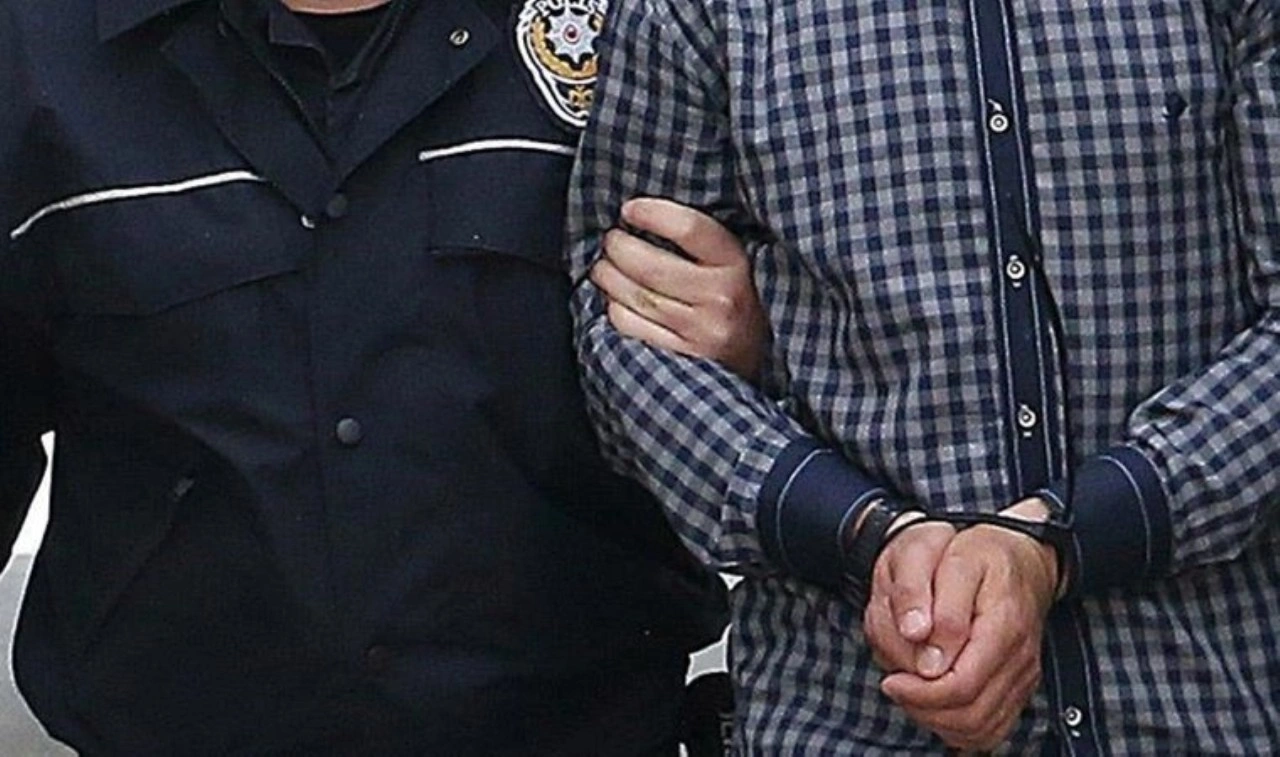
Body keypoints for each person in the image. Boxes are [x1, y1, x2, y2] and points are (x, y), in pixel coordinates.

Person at [0, 0, 766, 752]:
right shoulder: (35, 51)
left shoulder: (638, 24)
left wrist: (763, 351)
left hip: (581, 723)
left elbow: (808, 345)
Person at [568, 0, 1280, 753]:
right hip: (847, 715)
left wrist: (1069, 537)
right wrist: (864, 534)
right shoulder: (706, 14)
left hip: (1199, 701)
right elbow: (626, 331)